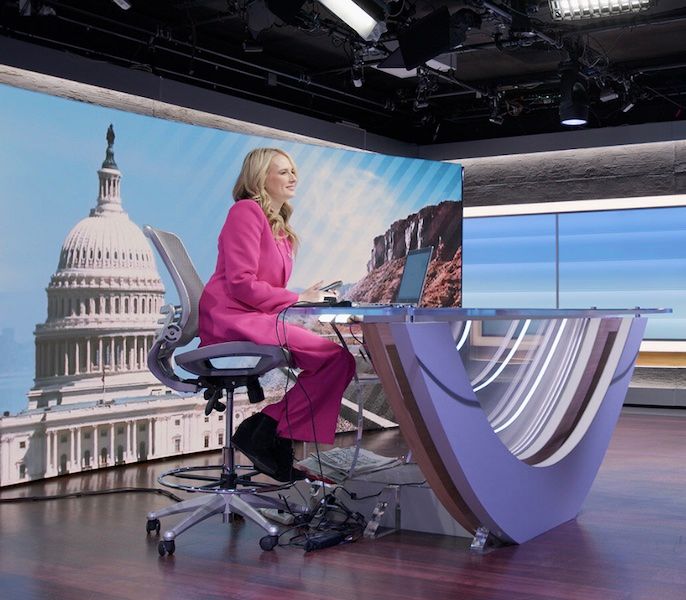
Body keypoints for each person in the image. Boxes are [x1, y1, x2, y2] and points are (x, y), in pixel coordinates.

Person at [198, 148, 357, 481]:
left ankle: (267, 431)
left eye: (294, 171)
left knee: (335, 360)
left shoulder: (279, 227)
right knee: (336, 359)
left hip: (255, 318)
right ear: (260, 177)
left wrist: (305, 297)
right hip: (232, 319)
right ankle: (268, 432)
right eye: (283, 171)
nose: (293, 177)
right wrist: (299, 297)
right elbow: (241, 284)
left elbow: (262, 284)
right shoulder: (245, 212)